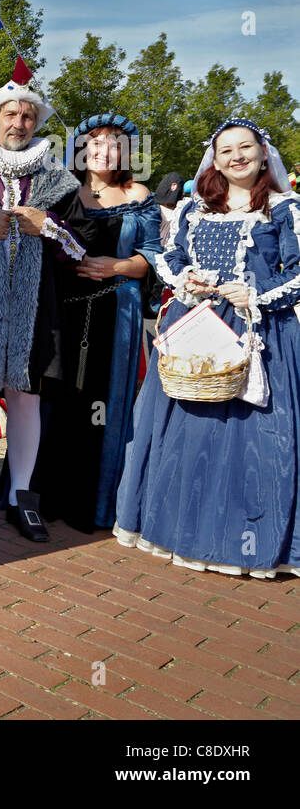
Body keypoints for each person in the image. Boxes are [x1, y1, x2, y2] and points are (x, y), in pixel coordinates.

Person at [115, 118, 300, 577]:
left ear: (262, 153)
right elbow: (170, 257)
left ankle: (245, 542)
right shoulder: (195, 208)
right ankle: (181, 531)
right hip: (194, 324)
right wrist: (185, 279)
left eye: (245, 148)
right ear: (214, 160)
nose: (236, 156)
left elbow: (298, 273)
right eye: (226, 151)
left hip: (259, 332)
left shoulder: (284, 207)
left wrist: (254, 294)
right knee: (188, 432)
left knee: (251, 438)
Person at [0, 82, 83, 542]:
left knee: (26, 394)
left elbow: (80, 248)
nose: (18, 124)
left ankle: (21, 498)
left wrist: (48, 226)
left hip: (35, 305)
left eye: (28, 116)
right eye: (9, 114)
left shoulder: (59, 177)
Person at [32, 113, 162, 532]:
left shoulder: (138, 193)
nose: (105, 151)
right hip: (63, 310)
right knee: (57, 401)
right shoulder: (62, 191)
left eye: (115, 144)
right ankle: (45, 494)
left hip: (115, 311)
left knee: (100, 408)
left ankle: (94, 500)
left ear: (127, 153)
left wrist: (118, 266)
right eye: (96, 143)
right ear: (81, 149)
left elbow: (155, 259)